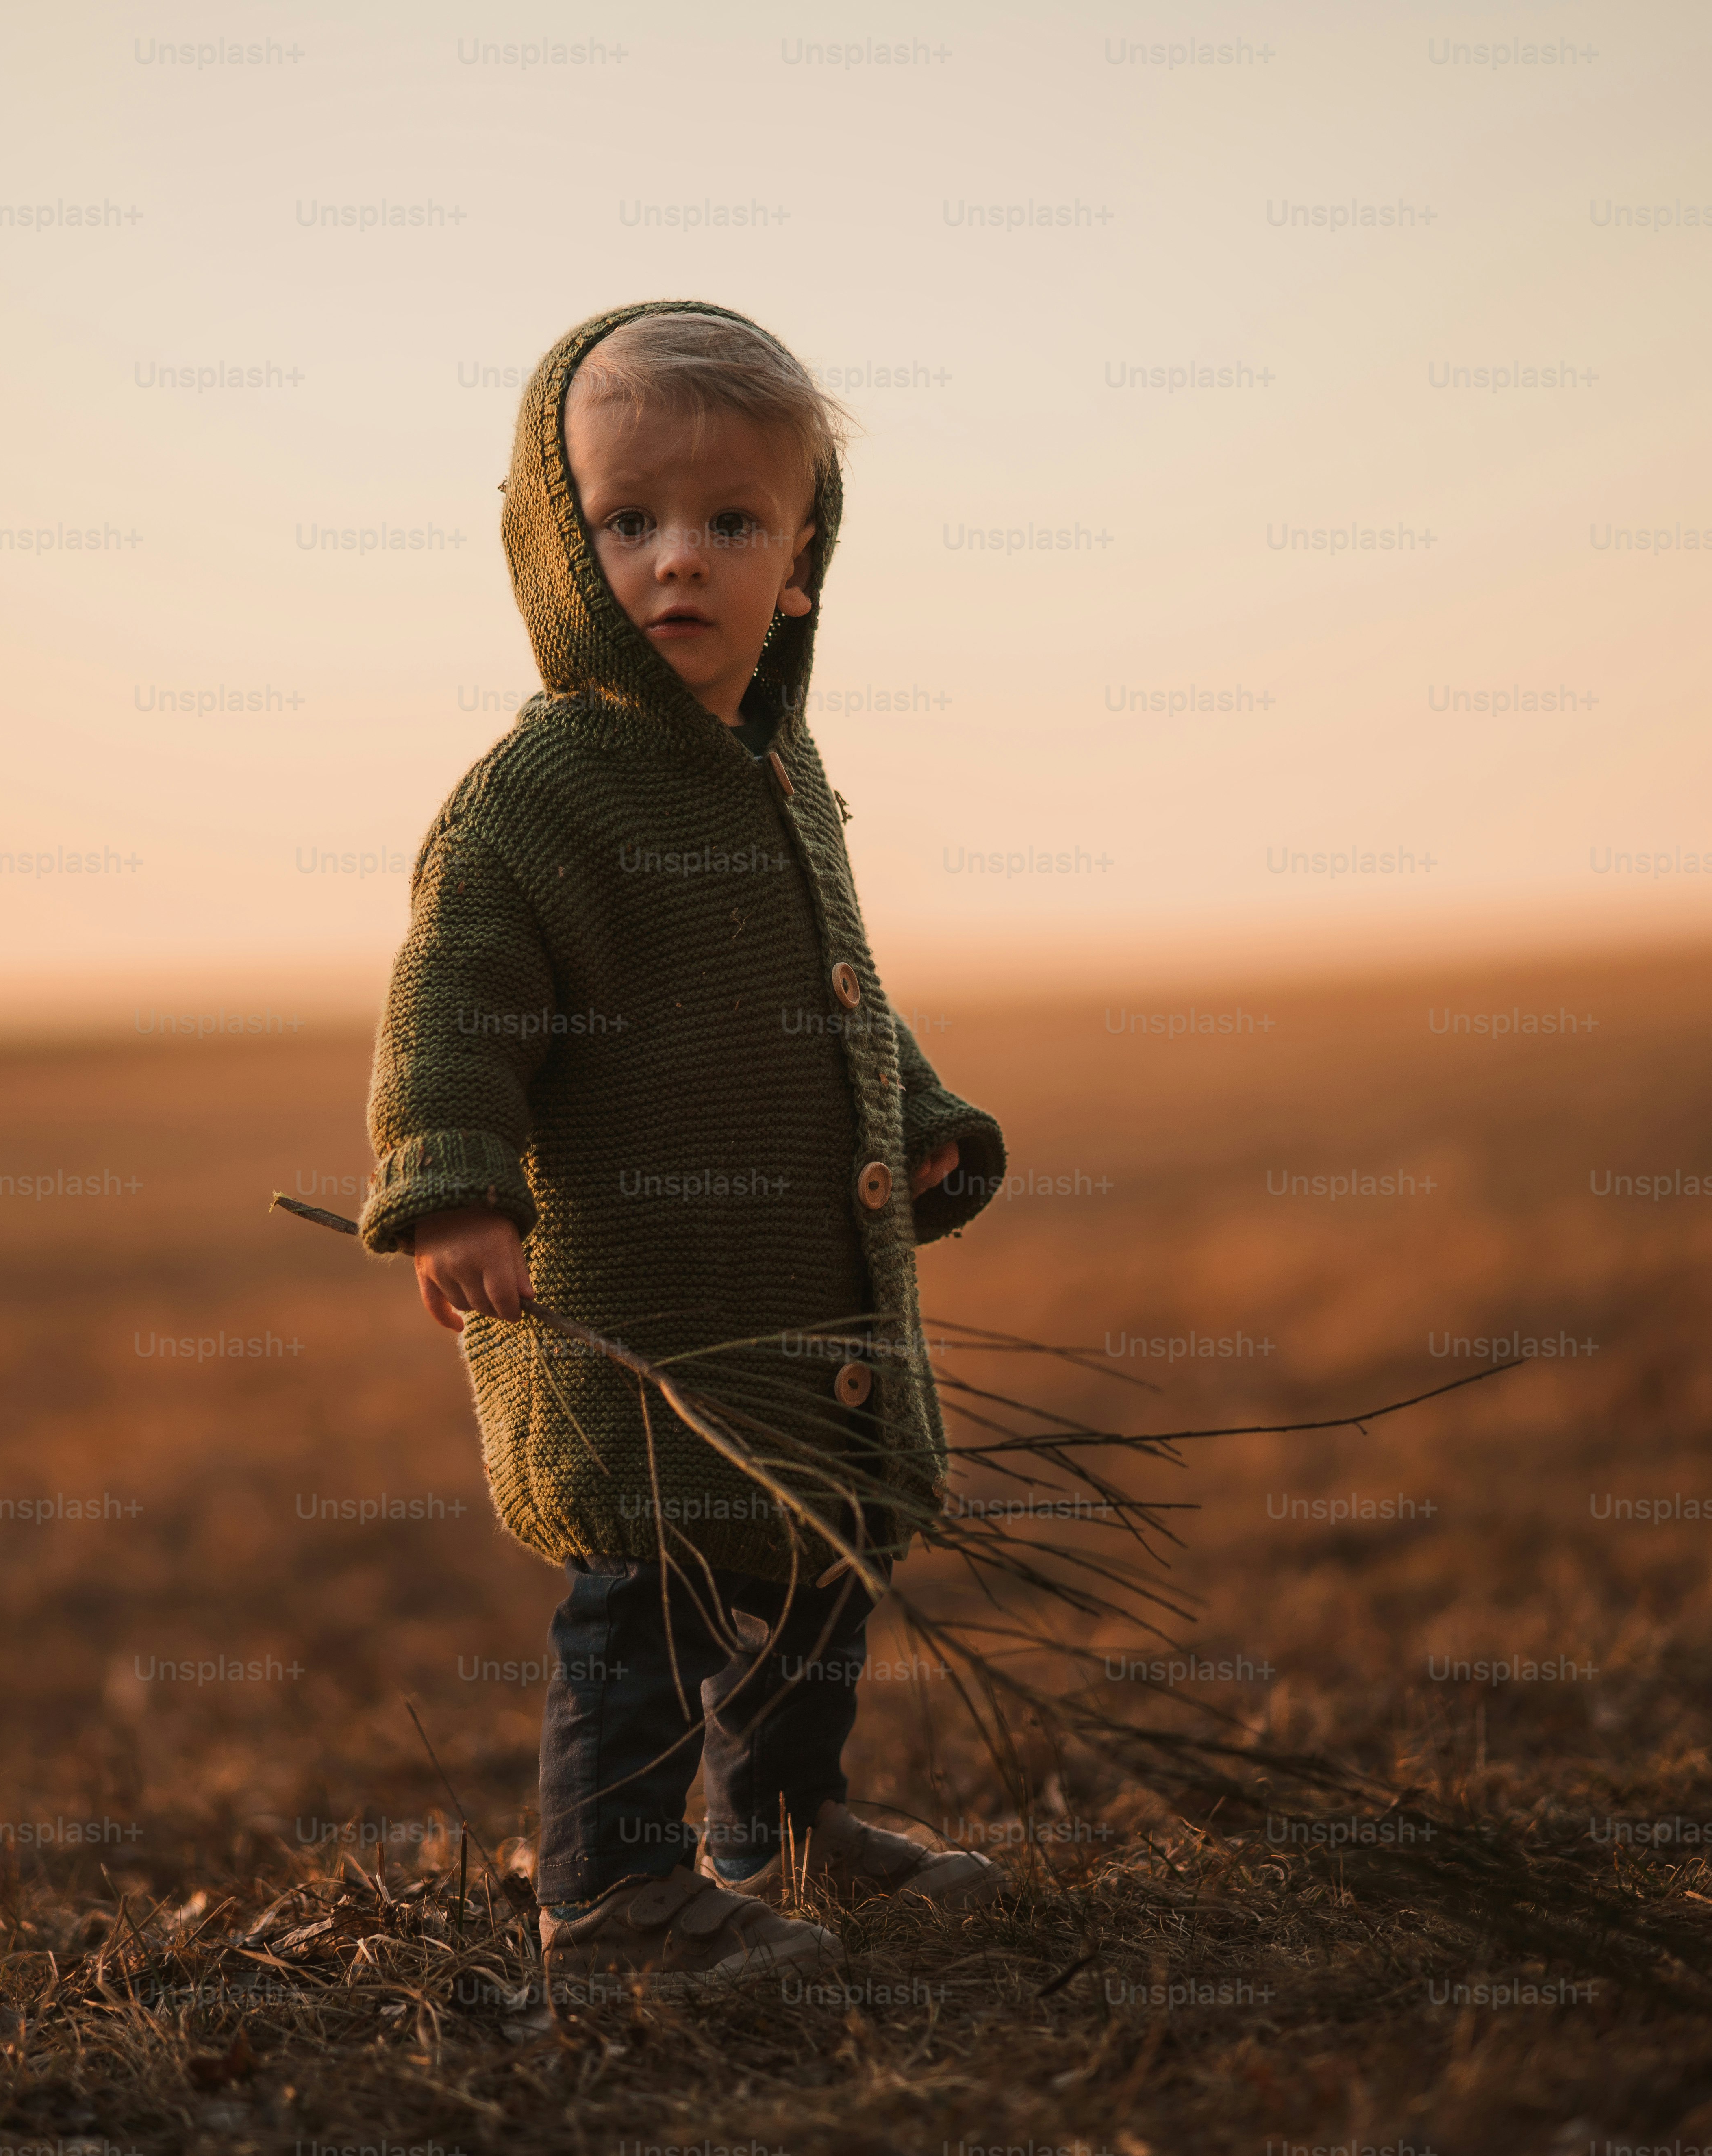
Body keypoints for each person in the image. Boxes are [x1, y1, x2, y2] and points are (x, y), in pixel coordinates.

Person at [356, 300, 1010, 1997]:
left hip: (799, 1298)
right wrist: (453, 1187)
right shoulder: (538, 799)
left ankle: (776, 1827)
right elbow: (452, 1000)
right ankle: (611, 1898)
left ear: (801, 559)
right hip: (641, 1306)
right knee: (648, 1602)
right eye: (626, 520)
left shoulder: (778, 769)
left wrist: (921, 1123)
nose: (678, 561)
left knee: (813, 1563)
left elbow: (837, 994)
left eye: (732, 522)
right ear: (555, 550)